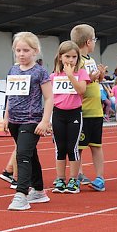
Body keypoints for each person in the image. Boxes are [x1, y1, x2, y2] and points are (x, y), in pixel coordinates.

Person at [5, 31, 54, 210]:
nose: (21, 54)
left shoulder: (40, 72)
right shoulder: (13, 69)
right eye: (18, 50)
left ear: (35, 51)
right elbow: (9, 95)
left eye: (25, 50)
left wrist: (45, 120)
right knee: (30, 154)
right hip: (14, 120)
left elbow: (49, 98)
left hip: (32, 119)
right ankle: (39, 191)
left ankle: (21, 194)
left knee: (22, 155)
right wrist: (6, 116)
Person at [70, 24, 107, 191]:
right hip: (82, 111)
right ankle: (77, 175)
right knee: (79, 147)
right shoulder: (76, 61)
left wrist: (100, 75)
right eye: (94, 40)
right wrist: (90, 78)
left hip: (96, 111)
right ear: (88, 42)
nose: (95, 43)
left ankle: (100, 177)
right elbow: (78, 83)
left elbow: (96, 81)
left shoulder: (90, 60)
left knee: (96, 145)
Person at [50, 40, 89, 194]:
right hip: (58, 113)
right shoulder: (53, 75)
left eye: (74, 57)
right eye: (67, 56)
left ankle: (73, 179)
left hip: (74, 113)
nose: (71, 60)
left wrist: (70, 76)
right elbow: (49, 96)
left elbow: (81, 91)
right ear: (60, 57)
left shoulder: (81, 73)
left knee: (72, 147)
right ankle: (60, 178)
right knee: (60, 148)